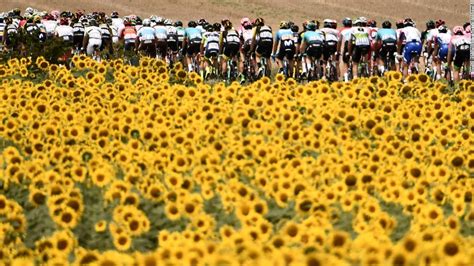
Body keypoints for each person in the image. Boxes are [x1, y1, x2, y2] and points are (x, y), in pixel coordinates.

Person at [238, 18, 254, 83]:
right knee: (254, 56)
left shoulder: (241, 28)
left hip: (246, 43)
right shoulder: (253, 27)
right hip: (253, 43)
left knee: (241, 52)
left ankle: (244, 63)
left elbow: (240, 39)